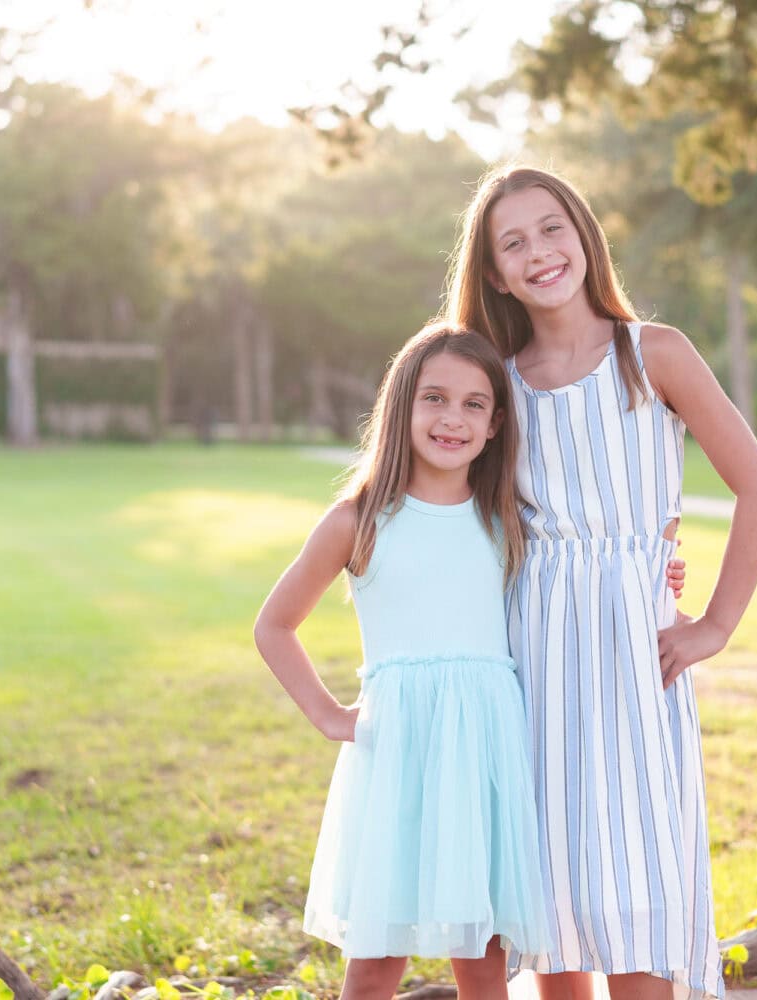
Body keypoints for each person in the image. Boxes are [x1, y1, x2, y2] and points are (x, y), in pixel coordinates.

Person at [443, 166, 757, 1000]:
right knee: (551, 882)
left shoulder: (652, 354)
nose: (539, 252)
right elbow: (465, 511)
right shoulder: (500, 383)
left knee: (635, 873)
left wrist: (713, 624)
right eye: (512, 243)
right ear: (493, 272)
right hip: (530, 650)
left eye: (552, 228)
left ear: (584, 235)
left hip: (635, 652)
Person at [253, 322, 551, 1000]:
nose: (453, 418)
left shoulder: (507, 518)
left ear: (497, 423)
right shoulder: (358, 521)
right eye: (435, 398)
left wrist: (666, 571)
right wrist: (328, 714)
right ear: (402, 407)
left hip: (483, 752)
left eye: (474, 404)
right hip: (399, 754)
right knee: (378, 952)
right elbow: (274, 625)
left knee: (482, 950)